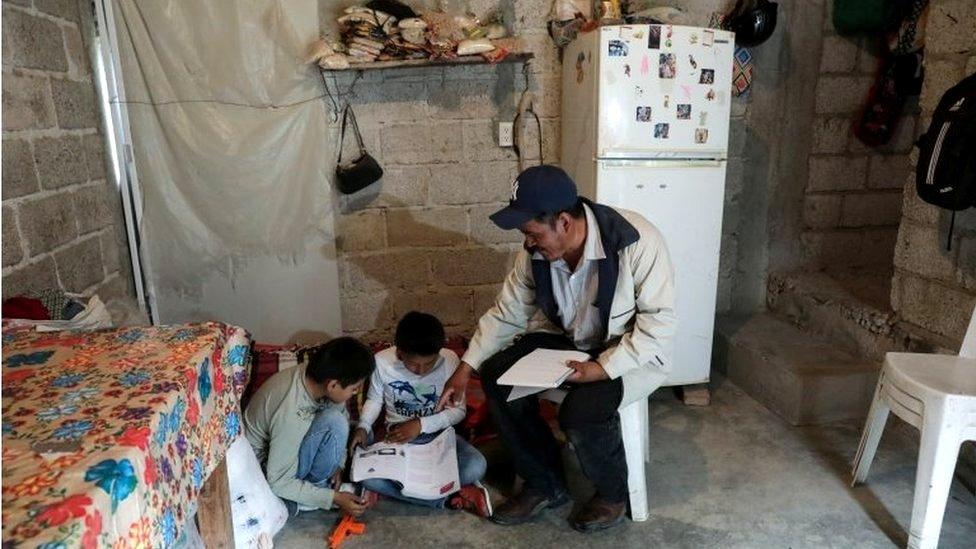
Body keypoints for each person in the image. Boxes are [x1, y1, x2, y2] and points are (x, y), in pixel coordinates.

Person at [437, 165, 676, 533]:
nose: (527, 243)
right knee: (496, 376)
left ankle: (613, 494)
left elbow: (658, 326)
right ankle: (545, 482)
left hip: (629, 350)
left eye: (532, 233)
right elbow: (508, 313)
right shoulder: (535, 254)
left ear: (564, 222)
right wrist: (466, 366)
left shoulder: (636, 241)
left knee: (581, 411)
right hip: (573, 339)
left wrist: (602, 368)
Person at [349, 311, 492, 517]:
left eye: (429, 363)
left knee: (476, 466)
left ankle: (403, 492)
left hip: (438, 440)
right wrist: (363, 425)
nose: (421, 371)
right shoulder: (381, 362)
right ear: (399, 352)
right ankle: (449, 497)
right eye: (414, 364)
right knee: (364, 477)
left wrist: (421, 425)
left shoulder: (450, 360)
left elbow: (458, 411)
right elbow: (375, 399)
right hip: (397, 440)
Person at [244, 337, 375, 518]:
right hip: (267, 468)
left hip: (290, 446)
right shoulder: (291, 409)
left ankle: (316, 489)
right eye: (354, 389)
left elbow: (342, 414)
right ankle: (312, 492)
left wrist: (339, 464)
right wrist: (333, 498)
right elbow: (279, 481)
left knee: (357, 431)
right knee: (335, 422)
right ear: (333, 385)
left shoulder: (316, 379)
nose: (355, 393)